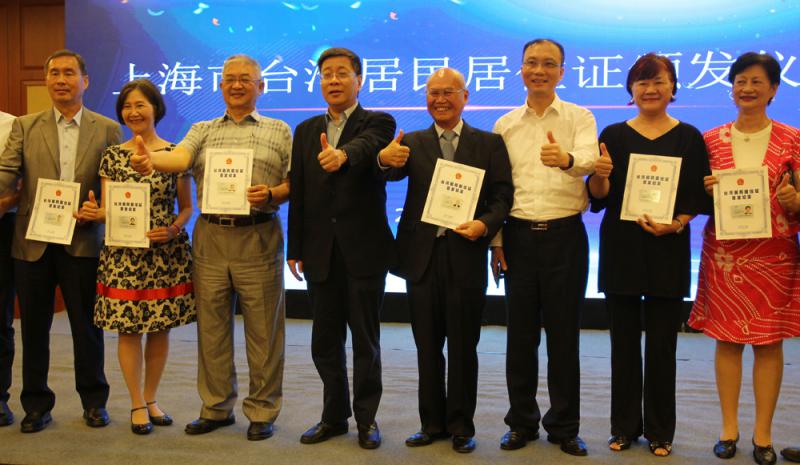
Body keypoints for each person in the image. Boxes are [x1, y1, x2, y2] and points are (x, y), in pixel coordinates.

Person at [131, 54, 291, 441]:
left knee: (264, 332)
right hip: (211, 237)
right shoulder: (201, 129)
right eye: (229, 79)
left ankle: (262, 410)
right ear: (220, 86)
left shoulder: (280, 130)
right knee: (213, 329)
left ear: (261, 86)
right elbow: (181, 157)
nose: (236, 85)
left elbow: (295, 182)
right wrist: (151, 161)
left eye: (245, 79)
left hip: (258, 234)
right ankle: (217, 407)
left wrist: (272, 193)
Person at [379, 68, 513, 453]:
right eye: (433, 92)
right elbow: (390, 173)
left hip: (466, 254)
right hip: (421, 258)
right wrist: (384, 160)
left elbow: (502, 195)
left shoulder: (489, 143)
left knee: (463, 347)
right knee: (426, 345)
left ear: (465, 96)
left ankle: (461, 426)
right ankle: (431, 423)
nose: (440, 100)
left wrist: (485, 225)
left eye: (448, 92)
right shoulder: (412, 142)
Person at [586, 53, 711, 457]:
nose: (651, 89)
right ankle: (623, 427)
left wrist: (677, 223)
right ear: (631, 90)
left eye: (659, 81)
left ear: (673, 88)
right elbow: (599, 197)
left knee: (662, 347)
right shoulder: (613, 134)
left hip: (667, 248)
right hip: (621, 249)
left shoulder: (689, 137)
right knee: (623, 346)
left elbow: (696, 196)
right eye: (642, 82)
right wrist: (600, 175)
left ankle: (660, 430)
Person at [0, 49, 121, 433]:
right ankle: (36, 405)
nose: (61, 80)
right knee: (34, 328)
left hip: (82, 240)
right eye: (54, 73)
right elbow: (7, 171)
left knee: (86, 327)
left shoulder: (106, 128)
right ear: (47, 81)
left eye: (69, 73)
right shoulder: (25, 126)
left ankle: (94, 401)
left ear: (85, 81)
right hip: (32, 242)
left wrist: (100, 208)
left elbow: (116, 184)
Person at [688, 52, 800, 465]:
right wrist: (704, 191)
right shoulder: (710, 140)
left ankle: (763, 435)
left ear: (773, 89)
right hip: (727, 255)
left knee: (769, 345)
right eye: (740, 81)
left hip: (774, 256)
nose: (747, 88)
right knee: (728, 341)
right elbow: (694, 199)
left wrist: (794, 200)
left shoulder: (793, 139)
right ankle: (728, 430)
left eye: (756, 81)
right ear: (732, 88)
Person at [490, 38, 598, 457]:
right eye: (531, 63)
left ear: (561, 72)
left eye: (548, 64)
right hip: (517, 237)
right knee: (520, 338)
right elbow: (498, 189)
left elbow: (590, 159)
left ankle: (564, 426)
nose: (539, 70)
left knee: (564, 337)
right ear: (520, 69)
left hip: (565, 237)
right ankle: (521, 423)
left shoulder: (579, 116)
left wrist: (566, 159)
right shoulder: (505, 125)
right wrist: (497, 241)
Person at [287, 47, 396, 450]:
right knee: (324, 341)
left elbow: (368, 146)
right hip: (319, 252)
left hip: (364, 250)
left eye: (342, 73)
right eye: (327, 74)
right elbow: (299, 191)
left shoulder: (379, 122)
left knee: (366, 340)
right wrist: (295, 247)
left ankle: (366, 419)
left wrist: (343, 154)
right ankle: (333, 417)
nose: (333, 80)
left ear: (358, 80)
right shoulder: (305, 130)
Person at [77, 79, 195, 435]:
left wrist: (173, 229)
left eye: (140, 105)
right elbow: (108, 209)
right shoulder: (113, 155)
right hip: (122, 256)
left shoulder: (175, 154)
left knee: (159, 329)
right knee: (128, 331)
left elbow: (186, 208)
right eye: (127, 106)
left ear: (155, 108)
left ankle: (151, 398)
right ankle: (136, 403)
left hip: (164, 254)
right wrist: (92, 213)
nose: (133, 112)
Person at [0, 110, 20, 427]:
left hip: (2, 227)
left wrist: (4, 203)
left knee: (0, 317)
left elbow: (27, 185)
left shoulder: (12, 125)